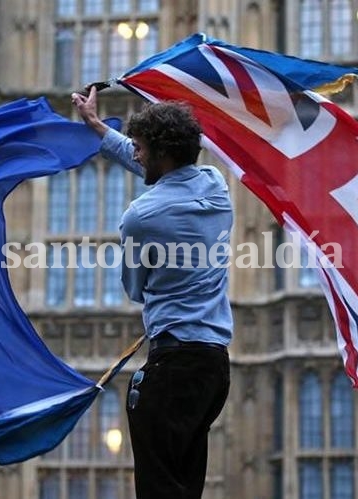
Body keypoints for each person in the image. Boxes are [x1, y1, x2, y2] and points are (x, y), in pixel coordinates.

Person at [72, 86, 233, 499]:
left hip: (172, 365)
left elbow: (134, 288)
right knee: (185, 484)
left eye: (140, 148)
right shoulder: (216, 187)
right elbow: (159, 169)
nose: (136, 154)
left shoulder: (139, 217)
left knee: (159, 488)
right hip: (213, 368)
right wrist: (98, 128)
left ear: (160, 154)